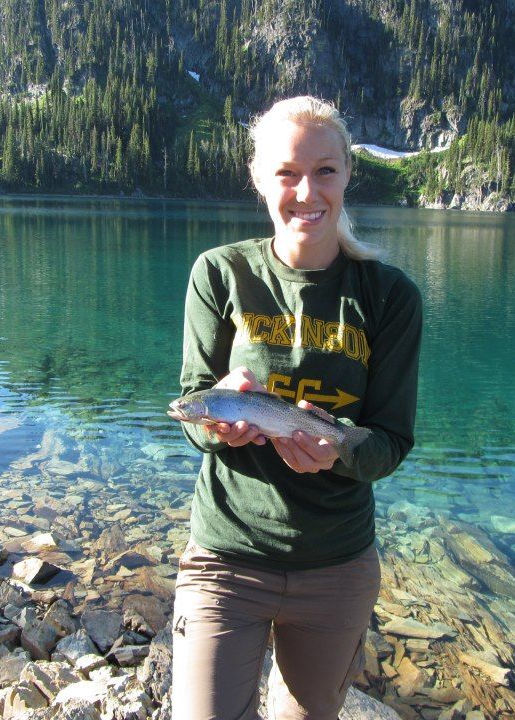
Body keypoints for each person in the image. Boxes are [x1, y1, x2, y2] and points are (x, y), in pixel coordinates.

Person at [172, 95, 423, 720]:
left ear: (346, 176)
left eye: (325, 170)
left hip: (336, 565)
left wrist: (334, 450)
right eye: (286, 172)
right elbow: (193, 412)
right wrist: (220, 430)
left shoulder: (390, 297)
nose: (306, 190)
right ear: (260, 180)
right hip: (226, 556)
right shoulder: (220, 273)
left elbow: (389, 443)